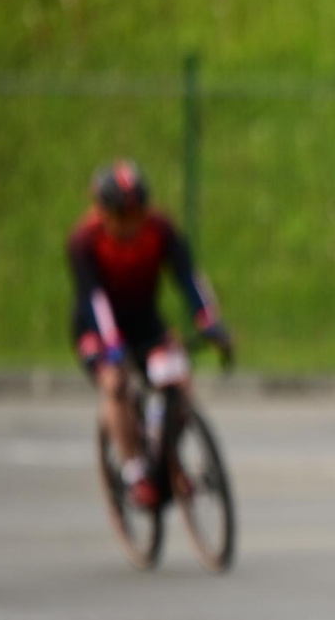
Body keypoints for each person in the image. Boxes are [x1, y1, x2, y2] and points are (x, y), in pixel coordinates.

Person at [68, 160, 230, 509]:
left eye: (137, 214)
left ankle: (167, 455)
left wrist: (208, 319)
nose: (130, 224)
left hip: (144, 320)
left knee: (178, 385)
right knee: (116, 385)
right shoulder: (84, 240)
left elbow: (188, 277)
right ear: (102, 212)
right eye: (121, 217)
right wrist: (111, 344)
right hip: (96, 325)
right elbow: (93, 297)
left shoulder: (160, 229)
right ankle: (134, 471)